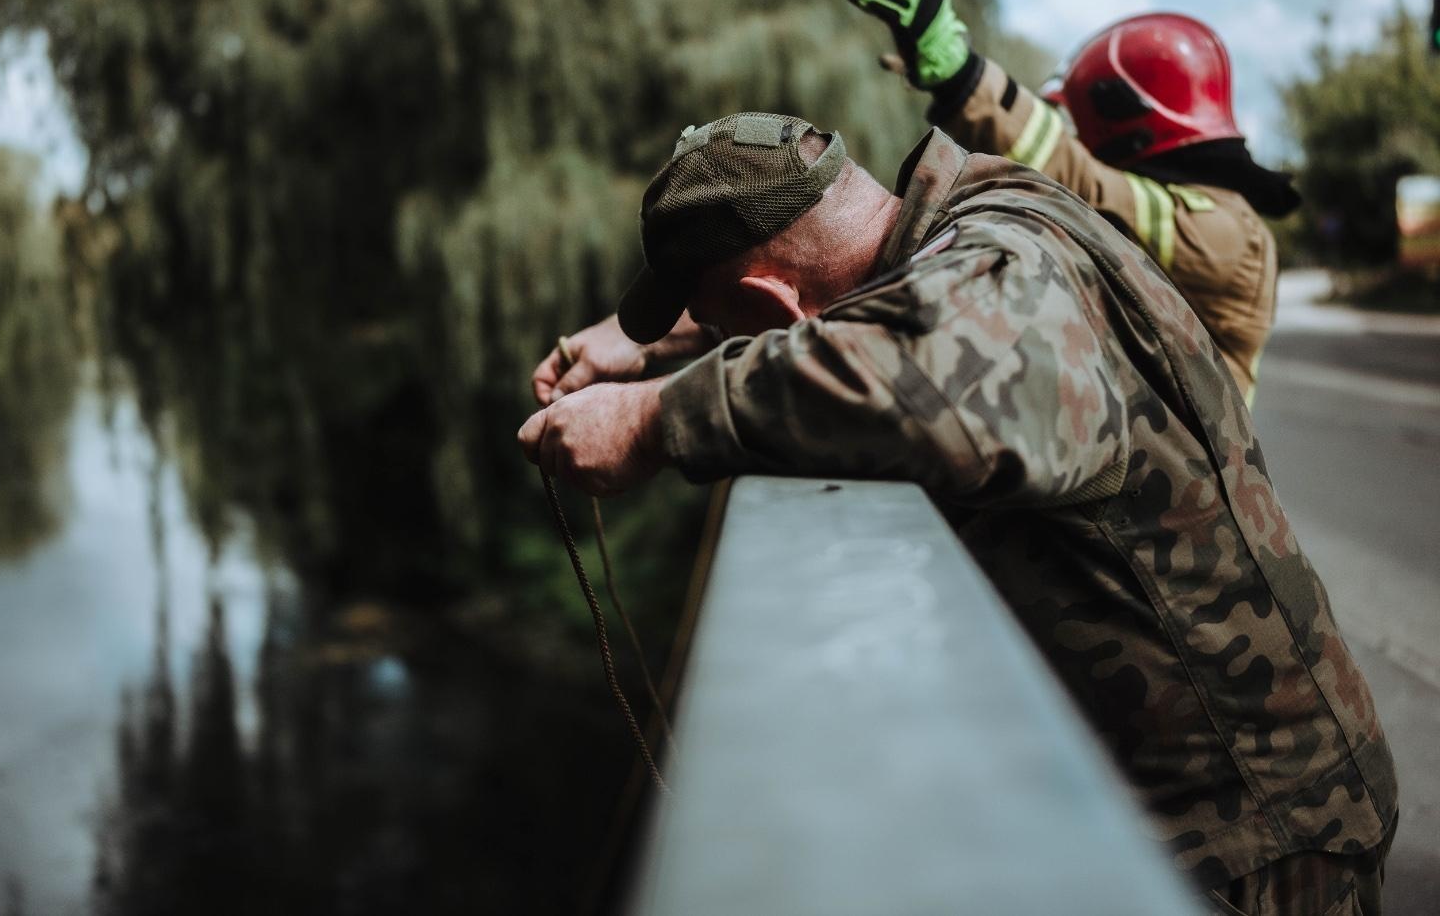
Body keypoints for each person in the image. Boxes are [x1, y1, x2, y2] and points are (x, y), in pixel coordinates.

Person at [519, 111, 1396, 915]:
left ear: (773, 308)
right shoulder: (986, 203)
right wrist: (654, 340)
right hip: (1241, 818)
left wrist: (654, 419)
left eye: (731, 324)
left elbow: (937, 368)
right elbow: (867, 305)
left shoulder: (1001, 277)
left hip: (1257, 842)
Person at [844, 0, 1299, 403]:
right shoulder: (1201, 218)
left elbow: (1084, 185)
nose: (1077, 139)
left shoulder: (1229, 234)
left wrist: (962, 78)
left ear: (1125, 121)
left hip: (1191, 477)